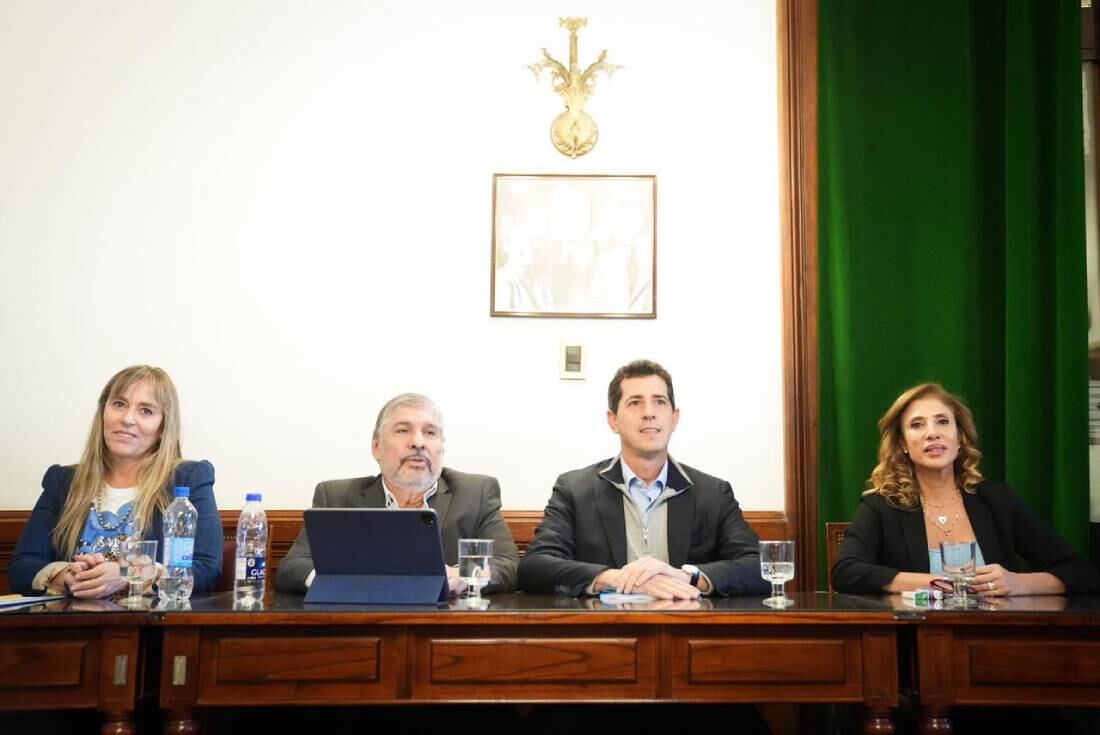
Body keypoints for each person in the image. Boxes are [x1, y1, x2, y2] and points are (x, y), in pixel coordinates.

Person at [518, 359, 769, 598]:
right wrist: (615, 579)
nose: (649, 412)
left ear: (674, 418)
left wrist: (685, 577)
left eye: (659, 402)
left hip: (687, 631)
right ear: (613, 420)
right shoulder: (574, 489)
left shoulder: (712, 493)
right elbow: (534, 566)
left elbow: (761, 568)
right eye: (635, 402)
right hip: (608, 632)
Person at [831, 383, 1100, 595]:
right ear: (903, 444)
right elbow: (846, 571)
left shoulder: (997, 500)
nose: (932, 433)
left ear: (959, 438)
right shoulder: (882, 505)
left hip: (1000, 645)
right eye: (917, 425)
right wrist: (934, 583)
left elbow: (1080, 571)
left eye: (943, 422)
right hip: (919, 644)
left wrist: (1018, 583)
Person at [8, 365, 222, 597]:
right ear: (103, 413)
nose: (128, 419)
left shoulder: (189, 479)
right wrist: (66, 577)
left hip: (148, 628)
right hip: (71, 625)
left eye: (146, 411)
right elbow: (22, 567)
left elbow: (206, 569)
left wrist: (126, 575)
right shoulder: (63, 481)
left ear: (162, 427)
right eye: (119, 404)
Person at [275, 393, 519, 595]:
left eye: (431, 433)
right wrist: (351, 580)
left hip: (444, 627)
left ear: (442, 447)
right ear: (376, 446)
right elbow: (292, 568)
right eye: (403, 430)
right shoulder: (336, 497)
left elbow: (507, 565)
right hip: (362, 626)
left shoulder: (475, 493)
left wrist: (464, 575)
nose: (418, 442)